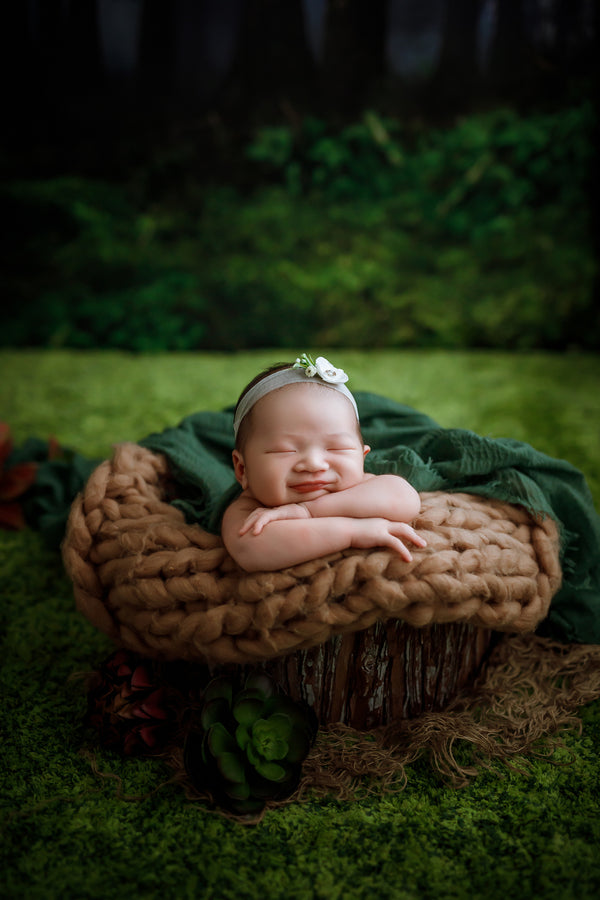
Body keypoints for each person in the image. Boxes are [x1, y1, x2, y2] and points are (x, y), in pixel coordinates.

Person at [221, 354, 426, 572]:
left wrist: (307, 511)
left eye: (336, 448)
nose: (314, 464)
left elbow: (404, 499)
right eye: (284, 450)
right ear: (242, 470)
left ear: (362, 458)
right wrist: (353, 532)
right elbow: (251, 550)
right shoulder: (248, 509)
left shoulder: (359, 486)